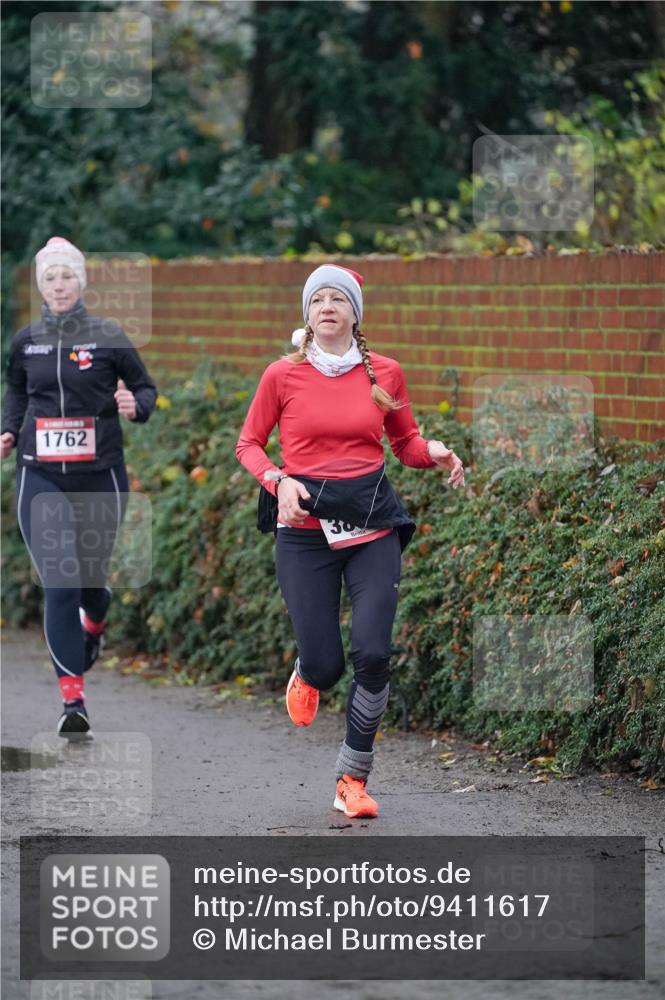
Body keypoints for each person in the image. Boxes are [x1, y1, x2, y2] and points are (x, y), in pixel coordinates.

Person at [236, 264, 465, 818]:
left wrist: (433, 450)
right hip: (304, 533)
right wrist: (279, 480)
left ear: (355, 313)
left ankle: (352, 781)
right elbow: (249, 444)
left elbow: (404, 442)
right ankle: (308, 671)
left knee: (374, 654)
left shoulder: (384, 372)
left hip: (370, 526)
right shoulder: (281, 376)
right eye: (319, 300)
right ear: (308, 315)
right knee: (327, 664)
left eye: (340, 299)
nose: (329, 307)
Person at [1, 237, 157, 736]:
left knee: (91, 581)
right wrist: (8, 428)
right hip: (39, 474)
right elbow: (17, 391)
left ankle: (95, 620)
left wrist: (138, 405)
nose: (59, 284)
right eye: (50, 277)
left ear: (80, 282)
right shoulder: (26, 341)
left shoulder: (108, 336)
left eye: (67, 276)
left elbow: (145, 387)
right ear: (41, 287)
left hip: (99, 476)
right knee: (61, 581)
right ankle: (73, 701)